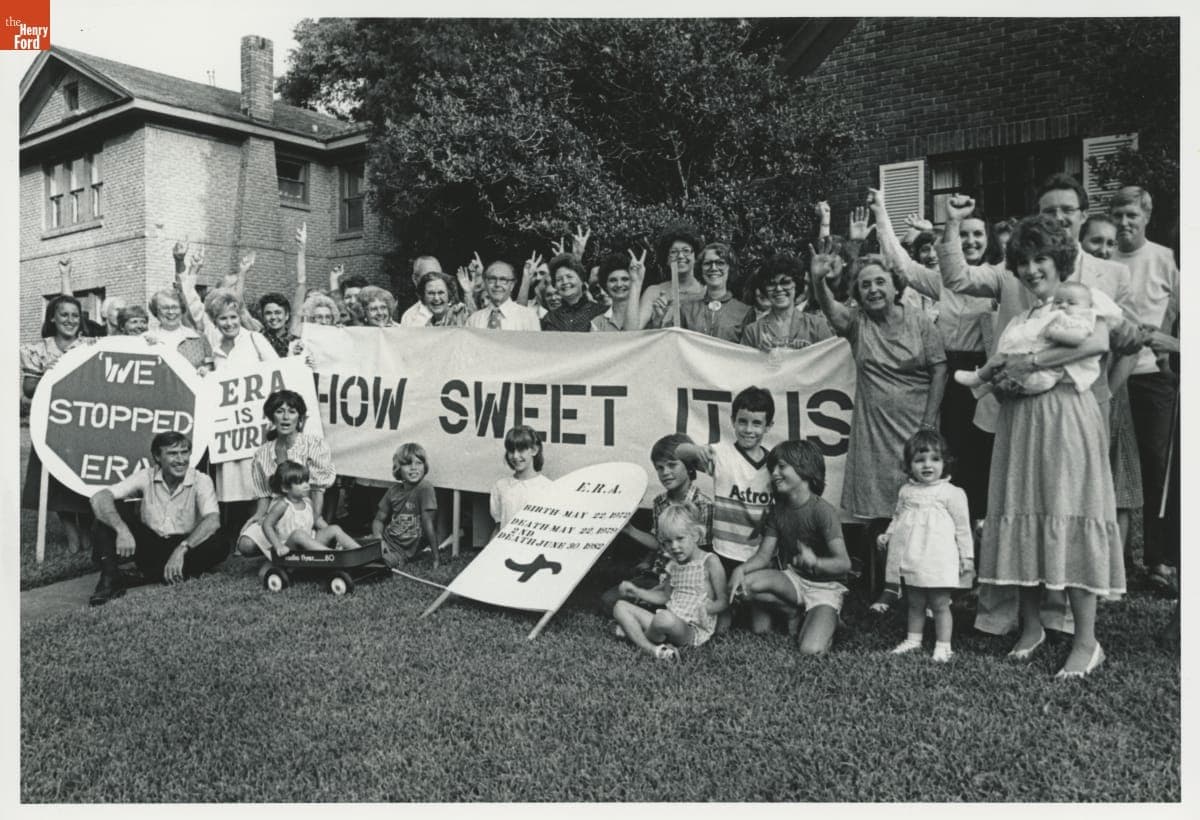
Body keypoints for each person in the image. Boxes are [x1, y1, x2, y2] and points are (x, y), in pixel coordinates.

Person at [937, 175, 1142, 636]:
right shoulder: (1015, 275)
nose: (1059, 217)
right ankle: (1016, 619)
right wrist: (951, 225)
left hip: (1073, 405)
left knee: (1069, 506)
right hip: (1018, 410)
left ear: (1082, 214)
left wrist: (1093, 386)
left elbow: (1120, 339)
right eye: (1049, 210)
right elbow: (956, 276)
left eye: (1067, 209)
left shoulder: (1108, 278)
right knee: (1022, 506)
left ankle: (1071, 623)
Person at [978, 214, 1124, 678]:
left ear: (1059, 259)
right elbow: (1001, 375)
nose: (1031, 269)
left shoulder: (1082, 299)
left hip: (1066, 418)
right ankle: (1031, 626)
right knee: (1025, 510)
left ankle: (1086, 641)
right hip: (1021, 423)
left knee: (1069, 510)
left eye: (1040, 257)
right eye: (1022, 261)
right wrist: (1005, 381)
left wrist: (1032, 362)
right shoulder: (1020, 320)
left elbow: (1098, 340)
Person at [811, 250, 946, 613]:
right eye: (865, 284)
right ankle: (888, 587)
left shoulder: (920, 321)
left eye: (879, 282)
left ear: (895, 285)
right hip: (874, 431)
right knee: (882, 513)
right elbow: (829, 309)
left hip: (918, 428)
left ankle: (926, 583)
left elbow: (939, 369)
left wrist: (929, 424)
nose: (872, 289)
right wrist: (818, 280)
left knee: (923, 507)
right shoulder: (858, 324)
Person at [868, 189, 996, 522]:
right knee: (947, 458)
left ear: (988, 238)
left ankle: (980, 544)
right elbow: (901, 264)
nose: (970, 241)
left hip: (987, 375)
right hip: (948, 376)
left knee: (985, 459)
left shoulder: (1000, 279)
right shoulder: (943, 281)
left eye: (977, 234)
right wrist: (881, 211)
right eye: (963, 234)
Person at [1109, 186, 1180, 593]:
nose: (1123, 223)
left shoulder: (1166, 259)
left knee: (1156, 469)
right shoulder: (1103, 259)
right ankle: (1115, 559)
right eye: (1117, 214)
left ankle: (1158, 561)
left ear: (1146, 215)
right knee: (1112, 466)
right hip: (1112, 377)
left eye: (1131, 214)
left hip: (1153, 377)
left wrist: (1171, 346)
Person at [729, 441, 851, 654]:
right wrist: (740, 570)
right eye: (772, 468)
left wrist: (816, 562)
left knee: (810, 650)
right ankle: (793, 612)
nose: (774, 473)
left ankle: (827, 617)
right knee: (744, 588)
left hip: (826, 588)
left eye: (781, 467)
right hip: (794, 580)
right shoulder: (779, 510)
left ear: (805, 469)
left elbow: (844, 564)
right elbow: (763, 556)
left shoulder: (823, 511)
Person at [675, 386, 775, 630]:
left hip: (755, 557)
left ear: (768, 426)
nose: (748, 430)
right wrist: (694, 449)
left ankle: (752, 602)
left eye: (756, 423)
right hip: (723, 552)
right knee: (720, 626)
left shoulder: (774, 463)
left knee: (762, 629)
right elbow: (678, 451)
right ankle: (728, 603)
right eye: (742, 422)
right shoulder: (721, 454)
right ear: (733, 421)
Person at [87, 432, 224, 605]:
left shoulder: (201, 480)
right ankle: (109, 578)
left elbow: (213, 520)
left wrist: (182, 549)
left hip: (185, 546)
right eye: (173, 454)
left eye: (184, 452)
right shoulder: (146, 476)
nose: (181, 460)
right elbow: (99, 497)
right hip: (151, 545)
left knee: (219, 543)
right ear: (157, 457)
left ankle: (146, 575)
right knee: (107, 515)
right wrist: (122, 530)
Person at [878, 431, 974, 661]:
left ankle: (943, 645)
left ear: (945, 463)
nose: (927, 465)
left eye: (934, 459)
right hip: (913, 556)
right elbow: (898, 517)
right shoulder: (907, 491)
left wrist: (967, 556)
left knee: (940, 603)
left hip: (938, 558)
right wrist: (888, 534)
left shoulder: (952, 493)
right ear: (909, 466)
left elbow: (963, 528)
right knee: (915, 601)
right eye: (919, 460)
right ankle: (913, 639)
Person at [603, 434, 714, 615]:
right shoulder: (659, 502)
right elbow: (658, 542)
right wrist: (630, 530)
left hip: (687, 578)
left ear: (689, 466)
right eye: (660, 468)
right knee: (609, 601)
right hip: (657, 574)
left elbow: (701, 555)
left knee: (665, 604)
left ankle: (654, 608)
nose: (665, 473)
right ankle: (649, 606)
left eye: (672, 465)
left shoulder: (702, 504)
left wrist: (666, 586)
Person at [201, 288, 279, 541]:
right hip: (232, 430)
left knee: (258, 480)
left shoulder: (255, 339)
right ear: (215, 321)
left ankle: (262, 533)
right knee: (234, 485)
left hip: (257, 425)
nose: (230, 323)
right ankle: (240, 536)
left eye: (233, 317)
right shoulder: (216, 348)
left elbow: (278, 373)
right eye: (223, 318)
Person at [20, 295, 97, 554]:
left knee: (82, 478)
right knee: (55, 481)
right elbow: (29, 389)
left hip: (85, 425)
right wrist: (47, 374)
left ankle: (87, 530)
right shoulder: (39, 349)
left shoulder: (90, 345)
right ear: (52, 317)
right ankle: (71, 533)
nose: (70, 320)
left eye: (75, 316)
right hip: (52, 425)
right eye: (64, 315)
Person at [611, 502, 728, 661]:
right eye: (667, 542)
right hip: (667, 620)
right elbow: (665, 597)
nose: (674, 546)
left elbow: (724, 600)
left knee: (663, 619)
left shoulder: (710, 561)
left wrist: (711, 607)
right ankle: (654, 650)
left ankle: (633, 634)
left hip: (690, 629)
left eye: (680, 538)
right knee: (620, 607)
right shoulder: (673, 565)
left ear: (695, 535)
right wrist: (637, 591)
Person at [237, 390, 337, 556]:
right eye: (279, 411)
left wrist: (316, 518)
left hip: (303, 509)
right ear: (271, 417)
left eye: (292, 412)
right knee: (246, 545)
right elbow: (264, 493)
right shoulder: (262, 453)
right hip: (277, 512)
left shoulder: (314, 445)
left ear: (299, 418)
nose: (285, 417)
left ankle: (301, 546)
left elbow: (318, 489)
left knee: (322, 536)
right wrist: (259, 515)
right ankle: (282, 548)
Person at [954, 281, 1097, 395]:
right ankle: (980, 378)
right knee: (1000, 358)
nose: (1063, 306)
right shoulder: (1051, 316)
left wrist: (1055, 334)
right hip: (1030, 358)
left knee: (1024, 376)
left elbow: (1079, 338)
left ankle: (991, 383)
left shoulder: (1079, 321)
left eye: (1071, 303)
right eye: (1058, 302)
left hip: (1047, 371)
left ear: (1087, 307)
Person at [250, 461, 362, 558]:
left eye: (306, 481)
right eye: (300, 483)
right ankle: (334, 556)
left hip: (309, 541)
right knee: (298, 534)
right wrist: (278, 546)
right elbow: (266, 525)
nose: (306, 485)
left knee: (334, 528)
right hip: (290, 547)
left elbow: (316, 520)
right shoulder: (282, 505)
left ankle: (360, 552)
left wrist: (331, 534)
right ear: (285, 488)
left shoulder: (307, 502)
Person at [657, 243, 753, 342]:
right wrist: (659, 320)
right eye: (708, 263)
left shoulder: (745, 312)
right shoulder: (686, 310)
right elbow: (672, 344)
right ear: (701, 269)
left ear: (730, 268)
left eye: (720, 263)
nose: (714, 268)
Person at [739, 253, 833, 352]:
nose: (778, 289)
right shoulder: (753, 331)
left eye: (785, 282)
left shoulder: (816, 325)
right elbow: (744, 365)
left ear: (796, 285)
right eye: (771, 284)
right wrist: (759, 354)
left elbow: (832, 360)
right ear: (764, 289)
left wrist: (810, 352)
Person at [373, 443, 440, 569]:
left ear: (424, 466)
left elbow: (428, 523)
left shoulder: (425, 488)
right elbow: (378, 520)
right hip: (384, 541)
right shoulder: (393, 490)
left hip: (400, 553)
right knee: (352, 548)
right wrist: (378, 540)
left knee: (379, 564)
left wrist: (436, 558)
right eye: (408, 463)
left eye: (419, 463)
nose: (414, 468)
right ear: (398, 468)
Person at [640, 223, 708, 329]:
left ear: (696, 256)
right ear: (667, 259)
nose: (680, 256)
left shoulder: (706, 293)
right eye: (674, 252)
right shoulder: (654, 292)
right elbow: (633, 331)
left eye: (686, 251)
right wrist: (657, 322)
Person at [490, 425, 553, 536]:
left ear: (534, 450)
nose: (515, 456)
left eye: (521, 450)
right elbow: (498, 528)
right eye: (511, 451)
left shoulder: (548, 488)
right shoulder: (500, 486)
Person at [147, 288, 212, 373]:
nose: (171, 312)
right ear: (156, 311)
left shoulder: (199, 338)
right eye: (165, 308)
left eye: (175, 307)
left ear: (182, 309)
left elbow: (210, 366)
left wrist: (206, 370)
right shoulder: (145, 339)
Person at [466, 261, 541, 331]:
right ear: (485, 283)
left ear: (512, 285)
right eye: (492, 279)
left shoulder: (528, 317)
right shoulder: (474, 320)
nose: (497, 284)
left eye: (503, 280)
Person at [541, 253, 607, 332]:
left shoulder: (601, 312)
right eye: (559, 279)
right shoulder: (550, 319)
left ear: (581, 279)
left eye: (569, 277)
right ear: (555, 285)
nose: (565, 282)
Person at [590, 252, 646, 332]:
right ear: (605, 285)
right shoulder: (597, 323)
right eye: (613, 280)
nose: (619, 284)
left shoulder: (645, 314)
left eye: (625, 279)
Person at [401, 271, 471, 328]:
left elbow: (476, 320)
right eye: (431, 293)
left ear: (449, 295)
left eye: (441, 292)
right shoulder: (428, 326)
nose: (436, 298)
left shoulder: (459, 313)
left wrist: (468, 293)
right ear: (423, 297)